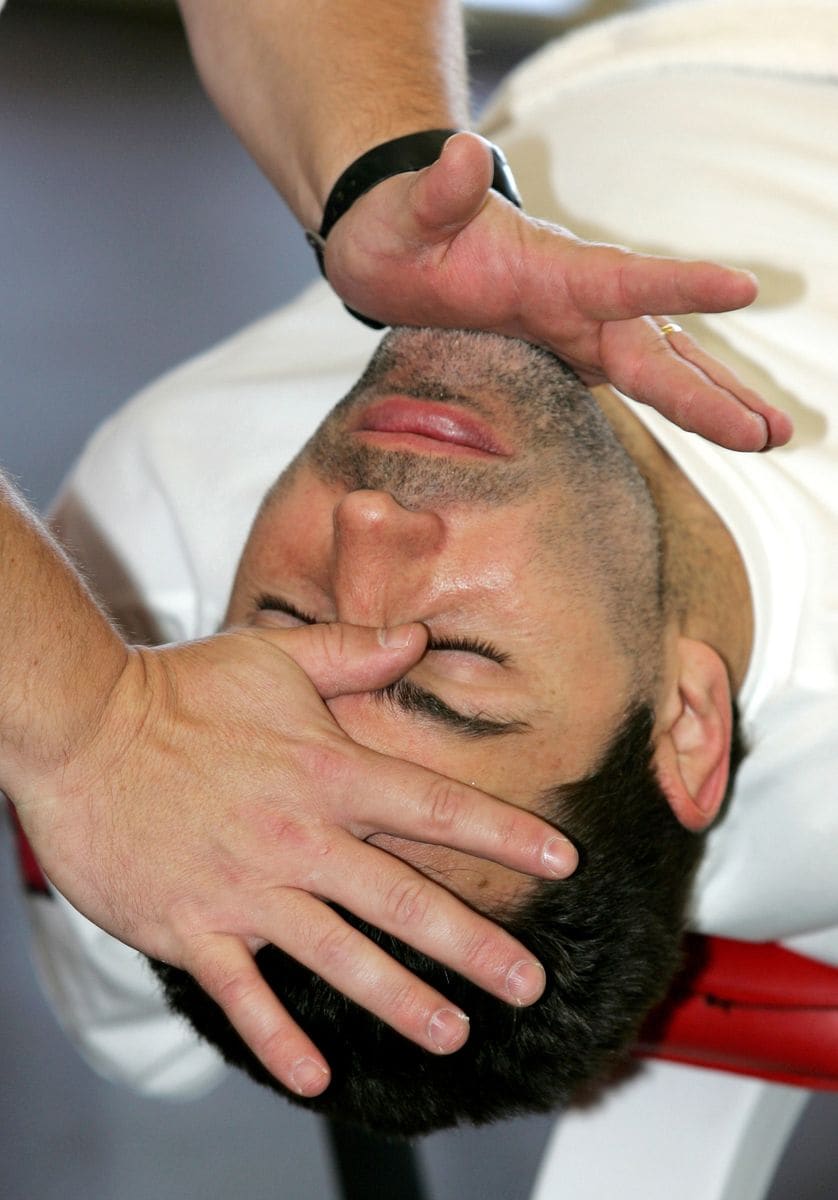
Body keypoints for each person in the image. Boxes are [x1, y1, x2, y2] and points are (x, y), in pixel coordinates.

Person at [16, 0, 836, 1137]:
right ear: (687, 722)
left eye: (283, 620)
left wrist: (90, 732)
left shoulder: (146, 542)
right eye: (449, 659)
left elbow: (134, 1022)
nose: (367, 522)